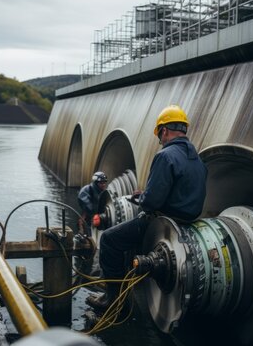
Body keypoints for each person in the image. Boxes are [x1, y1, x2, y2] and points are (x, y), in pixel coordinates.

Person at [86, 105, 207, 312]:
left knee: (109, 239)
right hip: (188, 223)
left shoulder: (165, 156)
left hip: (162, 222)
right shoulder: (197, 159)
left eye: (159, 136)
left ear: (164, 131)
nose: (160, 140)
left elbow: (152, 203)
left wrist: (141, 198)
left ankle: (113, 300)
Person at [77, 171, 108, 236]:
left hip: (97, 220)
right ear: (96, 183)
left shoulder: (102, 192)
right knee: (87, 238)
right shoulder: (86, 190)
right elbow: (89, 207)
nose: (103, 185)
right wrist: (96, 213)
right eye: (101, 183)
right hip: (86, 220)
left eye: (104, 182)